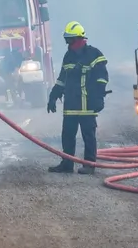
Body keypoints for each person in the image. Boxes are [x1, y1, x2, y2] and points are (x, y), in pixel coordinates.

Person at [46, 21, 108, 175]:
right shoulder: (68, 56)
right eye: (67, 40)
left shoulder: (94, 54)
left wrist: (99, 97)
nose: (68, 43)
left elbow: (102, 77)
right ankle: (67, 163)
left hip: (88, 104)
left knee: (88, 135)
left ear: (80, 39)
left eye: (71, 40)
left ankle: (89, 164)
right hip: (71, 104)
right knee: (67, 134)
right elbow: (62, 79)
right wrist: (53, 96)